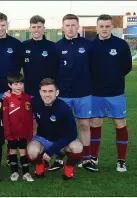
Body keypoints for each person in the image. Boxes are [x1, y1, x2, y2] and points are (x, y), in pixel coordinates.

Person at [49, 14, 95, 172]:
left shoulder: (88, 45)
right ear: (62, 27)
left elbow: (94, 68)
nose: (70, 28)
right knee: (62, 128)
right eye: (67, 25)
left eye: (73, 25)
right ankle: (60, 159)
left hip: (84, 93)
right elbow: (52, 72)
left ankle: (87, 159)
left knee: (84, 125)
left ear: (78, 27)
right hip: (63, 95)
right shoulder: (56, 47)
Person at [89, 14, 133, 172]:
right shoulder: (91, 45)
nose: (104, 29)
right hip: (95, 93)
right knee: (95, 124)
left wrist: (114, 77)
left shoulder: (121, 45)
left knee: (119, 124)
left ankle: (121, 161)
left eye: (107, 26)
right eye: (101, 26)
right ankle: (93, 158)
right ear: (97, 27)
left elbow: (127, 66)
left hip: (116, 92)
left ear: (112, 27)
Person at [28, 78, 83, 180]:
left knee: (77, 147)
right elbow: (19, 101)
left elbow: (72, 134)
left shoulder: (64, 108)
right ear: (40, 92)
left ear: (57, 93)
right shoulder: (34, 102)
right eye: (44, 91)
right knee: (32, 151)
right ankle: (40, 165)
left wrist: (51, 151)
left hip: (61, 140)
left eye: (50, 91)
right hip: (43, 138)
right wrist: (8, 95)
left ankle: (68, 167)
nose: (47, 94)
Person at [2, 73, 34, 182]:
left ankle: (26, 173)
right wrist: (7, 133)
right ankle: (14, 172)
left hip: (23, 132)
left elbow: (29, 117)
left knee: (23, 152)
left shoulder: (27, 97)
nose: (18, 86)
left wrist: (29, 132)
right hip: (12, 132)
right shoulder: (7, 98)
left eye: (20, 83)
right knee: (12, 151)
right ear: (10, 85)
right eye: (15, 84)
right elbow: (5, 118)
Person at [20, 15, 59, 97]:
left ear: (44, 29)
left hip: (48, 92)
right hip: (29, 91)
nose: (36, 29)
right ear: (30, 29)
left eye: (39, 27)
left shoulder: (53, 46)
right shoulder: (23, 46)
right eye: (33, 27)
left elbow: (58, 70)